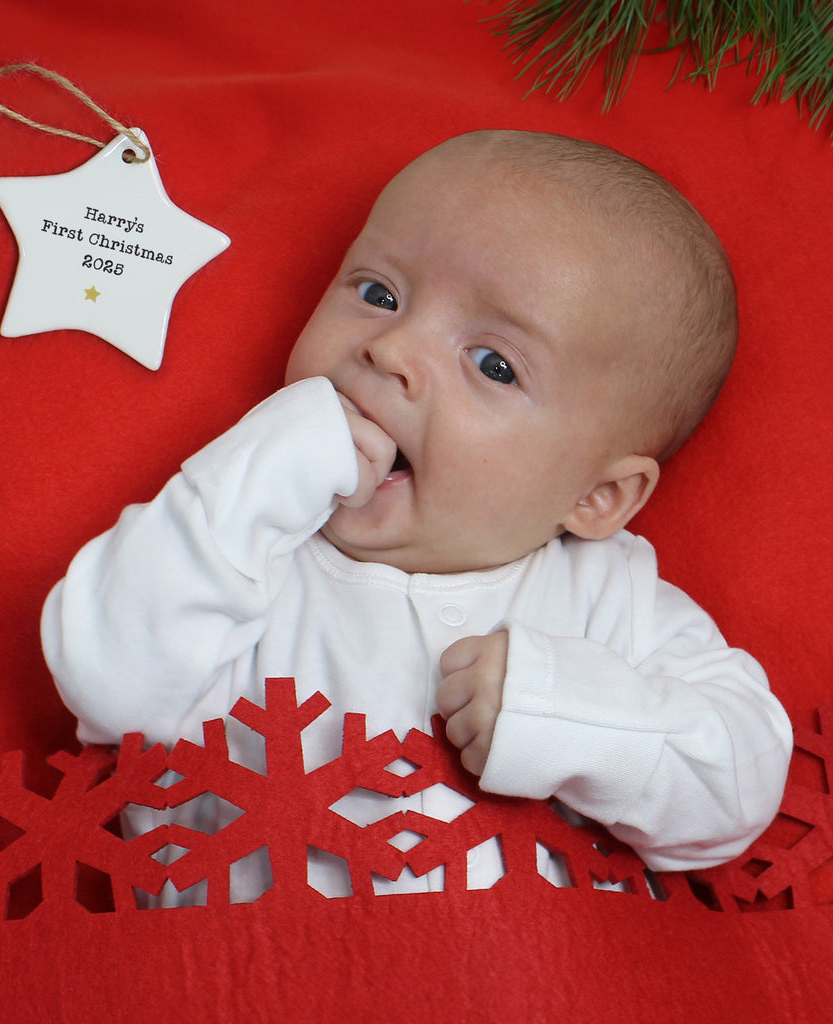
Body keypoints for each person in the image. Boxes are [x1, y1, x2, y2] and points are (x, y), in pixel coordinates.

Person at [41, 130, 792, 903]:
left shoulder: (611, 603)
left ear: (596, 498)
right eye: (378, 293)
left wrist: (565, 712)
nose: (391, 347)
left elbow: (734, 796)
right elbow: (107, 679)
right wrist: (262, 465)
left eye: (494, 364)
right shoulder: (244, 550)